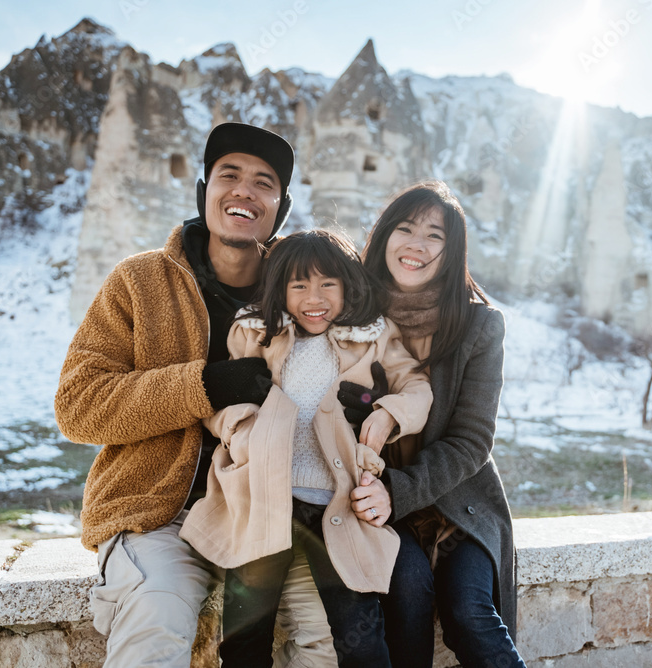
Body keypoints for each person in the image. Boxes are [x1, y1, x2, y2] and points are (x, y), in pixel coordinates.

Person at [54, 122, 294, 667]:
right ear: (203, 191)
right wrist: (205, 386)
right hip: (159, 518)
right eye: (228, 175)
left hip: (273, 517)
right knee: (156, 615)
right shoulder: (139, 281)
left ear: (280, 207)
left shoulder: (304, 289)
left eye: (264, 182)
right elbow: (78, 406)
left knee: (334, 627)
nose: (244, 191)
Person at [179, 229, 433, 667]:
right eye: (299, 285)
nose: (314, 298)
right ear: (280, 290)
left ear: (347, 286)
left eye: (328, 284)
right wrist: (241, 429)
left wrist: (388, 413)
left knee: (360, 633)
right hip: (262, 497)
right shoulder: (255, 333)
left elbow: (417, 386)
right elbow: (220, 402)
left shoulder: (371, 337)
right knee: (244, 636)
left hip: (338, 502)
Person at [343, 181, 526, 667]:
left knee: (469, 611)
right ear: (384, 236)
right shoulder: (349, 312)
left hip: (457, 505)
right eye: (405, 229)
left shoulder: (479, 326)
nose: (416, 245)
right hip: (375, 503)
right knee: (407, 588)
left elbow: (472, 441)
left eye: (434, 236)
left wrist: (397, 490)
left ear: (452, 251)